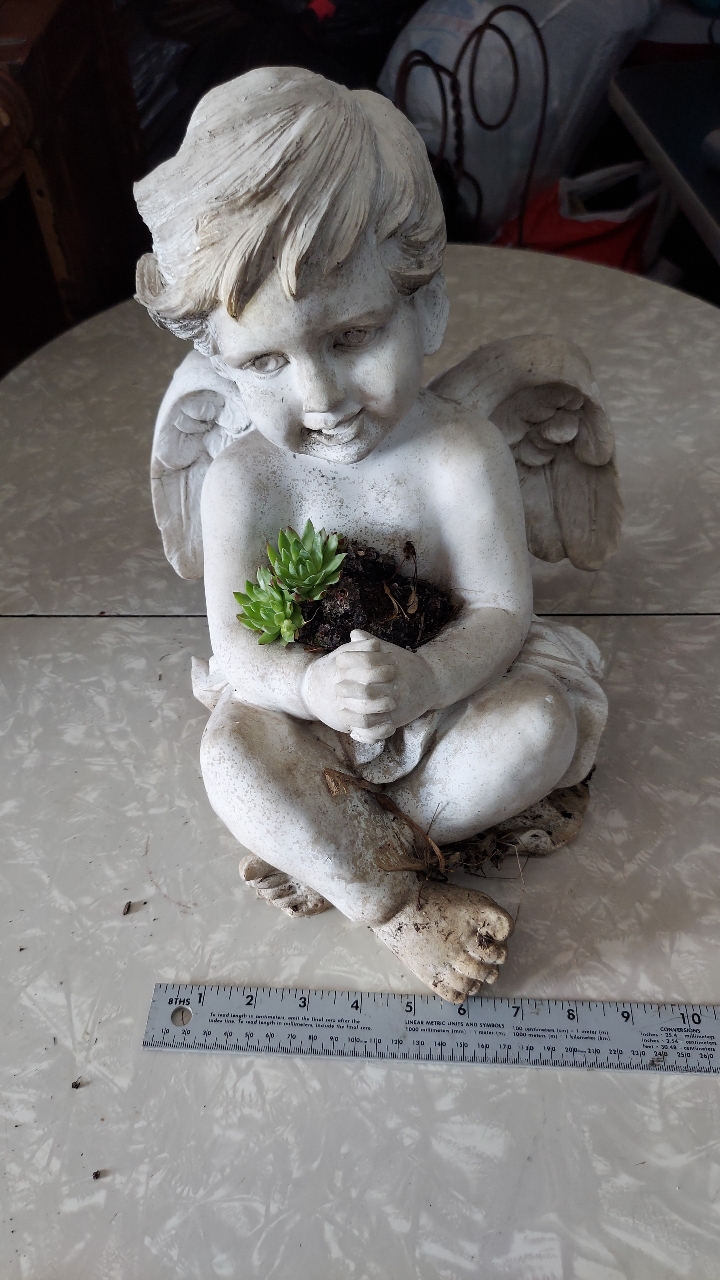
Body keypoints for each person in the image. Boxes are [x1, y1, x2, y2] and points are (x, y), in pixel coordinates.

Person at [134, 67, 611, 1002]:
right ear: (216, 359)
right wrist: (309, 685)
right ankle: (398, 906)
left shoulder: (460, 455)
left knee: (539, 729)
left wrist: (426, 679)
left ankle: (345, 850)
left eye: (351, 337)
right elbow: (239, 649)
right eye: (265, 362)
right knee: (231, 758)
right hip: (307, 715)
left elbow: (500, 611)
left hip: (449, 692)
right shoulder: (247, 480)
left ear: (424, 307)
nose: (320, 397)